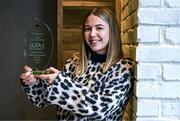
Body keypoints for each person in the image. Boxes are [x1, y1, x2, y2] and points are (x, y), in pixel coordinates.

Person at [20, 7, 134, 121]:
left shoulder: (123, 67)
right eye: (87, 29)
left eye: (99, 28)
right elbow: (50, 100)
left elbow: (100, 109)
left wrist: (60, 84)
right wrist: (34, 84)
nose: (92, 34)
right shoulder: (74, 62)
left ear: (112, 31)